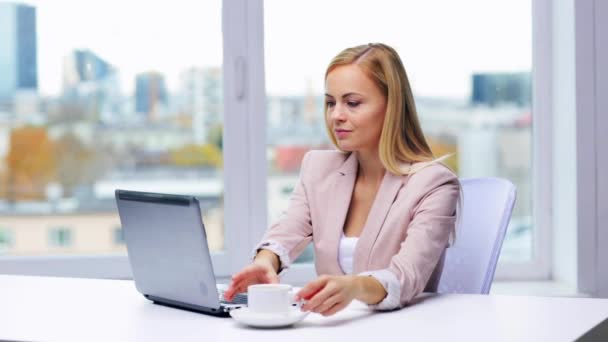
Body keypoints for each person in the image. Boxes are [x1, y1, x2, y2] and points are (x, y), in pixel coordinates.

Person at [224, 43, 460, 316]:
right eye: (330, 102)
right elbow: (288, 229)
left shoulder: (433, 184)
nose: (336, 115)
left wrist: (354, 287)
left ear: (392, 107)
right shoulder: (318, 167)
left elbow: (407, 277)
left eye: (352, 103)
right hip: (335, 329)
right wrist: (266, 261)